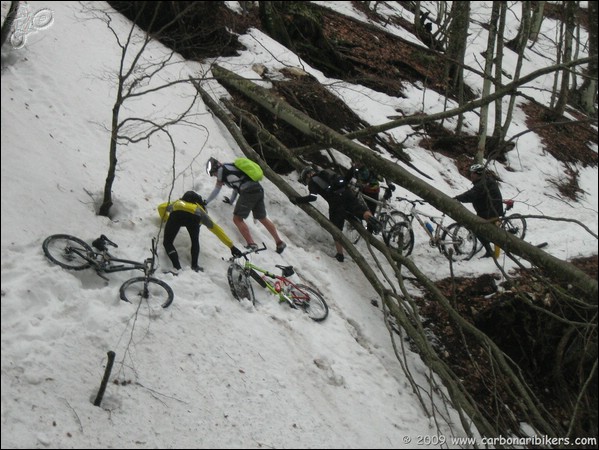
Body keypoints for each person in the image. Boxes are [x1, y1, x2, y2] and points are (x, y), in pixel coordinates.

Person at [291, 166, 381, 262]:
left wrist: (298, 200)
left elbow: (313, 197)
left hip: (335, 202)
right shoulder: (326, 172)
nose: (307, 181)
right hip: (347, 193)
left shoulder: (313, 181)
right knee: (360, 209)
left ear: (308, 175)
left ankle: (340, 254)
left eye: (306, 179)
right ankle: (372, 219)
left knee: (336, 229)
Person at [204, 157, 287, 254]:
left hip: (248, 192)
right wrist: (231, 201)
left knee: (237, 219)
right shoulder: (230, 167)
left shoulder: (221, 170)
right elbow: (236, 188)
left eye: (213, 174)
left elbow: (217, 189)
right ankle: (279, 242)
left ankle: (251, 244)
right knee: (262, 218)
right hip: (258, 189)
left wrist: (206, 202)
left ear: (215, 168)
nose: (215, 176)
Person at [158, 190, 243, 272]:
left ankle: (177, 267)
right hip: (194, 217)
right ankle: (195, 266)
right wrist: (231, 246)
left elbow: (160, 207)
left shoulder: (176, 203)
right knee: (195, 242)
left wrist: (166, 219)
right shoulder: (199, 209)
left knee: (168, 243)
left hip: (176, 214)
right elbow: (217, 230)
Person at [454, 163, 504, 258]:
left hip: (490, 212)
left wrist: (457, 198)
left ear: (479, 174)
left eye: (473, 173)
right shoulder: (484, 182)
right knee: (483, 231)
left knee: (478, 229)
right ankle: (489, 249)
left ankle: (491, 251)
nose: (471, 175)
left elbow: (472, 195)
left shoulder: (483, 184)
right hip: (486, 210)